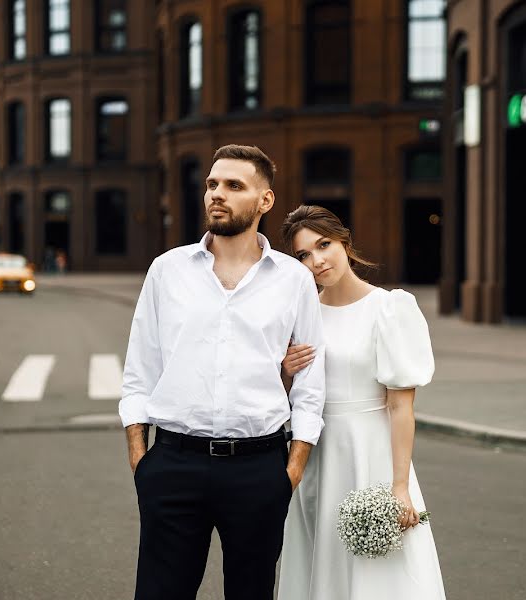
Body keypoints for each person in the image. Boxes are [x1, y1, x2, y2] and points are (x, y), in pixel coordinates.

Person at [120, 145, 326, 600]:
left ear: (265, 201)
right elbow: (139, 372)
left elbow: (311, 384)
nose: (218, 193)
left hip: (258, 469)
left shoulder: (293, 280)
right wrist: (141, 459)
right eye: (213, 184)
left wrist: (290, 471)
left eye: (234, 186)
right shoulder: (167, 271)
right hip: (173, 465)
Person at [277, 205, 445, 599]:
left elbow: (401, 406)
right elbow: (285, 399)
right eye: (303, 254)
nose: (317, 261)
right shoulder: (301, 314)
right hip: (316, 452)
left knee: (380, 567)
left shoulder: (388, 308)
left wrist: (400, 486)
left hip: (371, 451)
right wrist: (285, 370)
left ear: (345, 242)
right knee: (322, 558)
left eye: (324, 245)